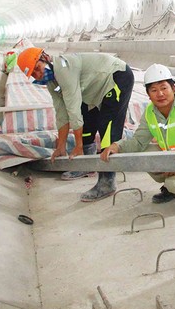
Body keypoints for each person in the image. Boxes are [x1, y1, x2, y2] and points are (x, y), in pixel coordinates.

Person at [16, 47, 134, 202]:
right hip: (94, 88)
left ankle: (107, 181)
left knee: (108, 128)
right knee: (87, 124)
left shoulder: (64, 69)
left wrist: (77, 146)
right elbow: (61, 112)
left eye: (38, 68)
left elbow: (73, 109)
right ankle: (86, 164)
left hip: (116, 77)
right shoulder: (52, 81)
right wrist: (61, 146)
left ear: (44, 57)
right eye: (33, 74)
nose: (38, 75)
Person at [100, 64, 175, 207]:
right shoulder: (150, 112)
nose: (160, 94)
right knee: (143, 156)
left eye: (163, 88)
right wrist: (117, 146)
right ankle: (174, 190)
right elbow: (138, 141)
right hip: (174, 156)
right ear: (148, 94)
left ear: (173, 88)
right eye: (154, 90)